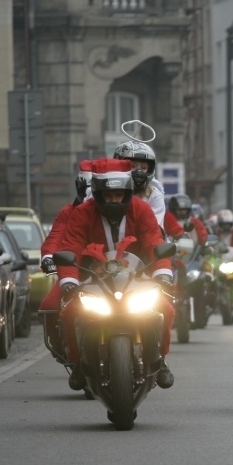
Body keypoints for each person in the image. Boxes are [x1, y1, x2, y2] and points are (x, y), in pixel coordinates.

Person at [56, 158, 176, 389]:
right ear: (98, 194)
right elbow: (71, 247)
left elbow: (154, 242)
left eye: (119, 195)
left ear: (127, 193)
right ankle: (78, 363)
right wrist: (69, 281)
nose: (114, 200)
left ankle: (160, 360)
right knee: (70, 313)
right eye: (108, 195)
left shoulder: (141, 209)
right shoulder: (82, 213)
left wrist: (162, 274)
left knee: (165, 309)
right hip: (93, 278)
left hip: (137, 277)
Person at [38, 160, 96, 359]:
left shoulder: (120, 213)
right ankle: (63, 349)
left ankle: (153, 356)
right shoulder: (68, 212)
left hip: (113, 271)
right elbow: (56, 237)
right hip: (77, 271)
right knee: (50, 305)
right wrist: (49, 257)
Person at [112, 139, 167, 228]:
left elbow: (154, 227)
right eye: (132, 166)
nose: (139, 172)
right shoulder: (107, 190)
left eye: (144, 167)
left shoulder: (154, 195)